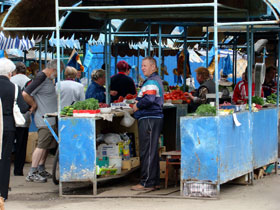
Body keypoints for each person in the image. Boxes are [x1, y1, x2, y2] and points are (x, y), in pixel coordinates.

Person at [23, 59, 64, 183]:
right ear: (53, 69)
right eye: (58, 72)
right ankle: (32, 172)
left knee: (47, 146)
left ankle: (41, 168)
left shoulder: (46, 78)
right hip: (44, 118)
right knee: (41, 145)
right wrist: (34, 105)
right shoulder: (41, 77)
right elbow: (25, 93)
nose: (57, 75)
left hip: (50, 118)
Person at [131, 56, 164, 191]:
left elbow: (149, 99)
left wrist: (137, 105)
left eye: (145, 65)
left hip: (149, 117)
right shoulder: (153, 81)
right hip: (153, 117)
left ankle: (147, 182)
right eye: (142, 65)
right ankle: (154, 180)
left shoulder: (151, 82)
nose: (143, 68)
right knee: (151, 150)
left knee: (148, 150)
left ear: (153, 67)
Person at [0, 58, 29, 200]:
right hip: (8, 126)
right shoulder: (14, 88)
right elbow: (23, 108)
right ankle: (2, 193)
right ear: (10, 73)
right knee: (5, 159)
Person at [10, 62, 31, 176]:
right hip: (24, 117)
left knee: (8, 143)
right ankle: (18, 170)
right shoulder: (29, 81)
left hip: (11, 116)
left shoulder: (10, 81)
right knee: (22, 145)